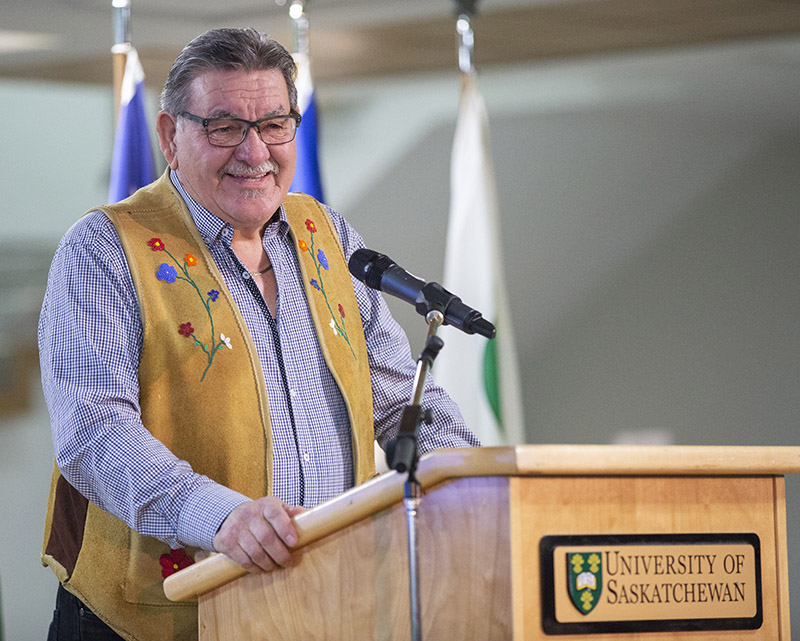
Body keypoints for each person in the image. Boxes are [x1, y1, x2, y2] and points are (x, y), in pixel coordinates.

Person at [38, 27, 478, 641]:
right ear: (170, 135)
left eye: (275, 124)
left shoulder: (327, 234)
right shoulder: (107, 248)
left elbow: (404, 403)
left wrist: (482, 485)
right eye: (224, 127)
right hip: (152, 621)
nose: (255, 152)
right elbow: (93, 433)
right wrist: (223, 518)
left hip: (318, 609)